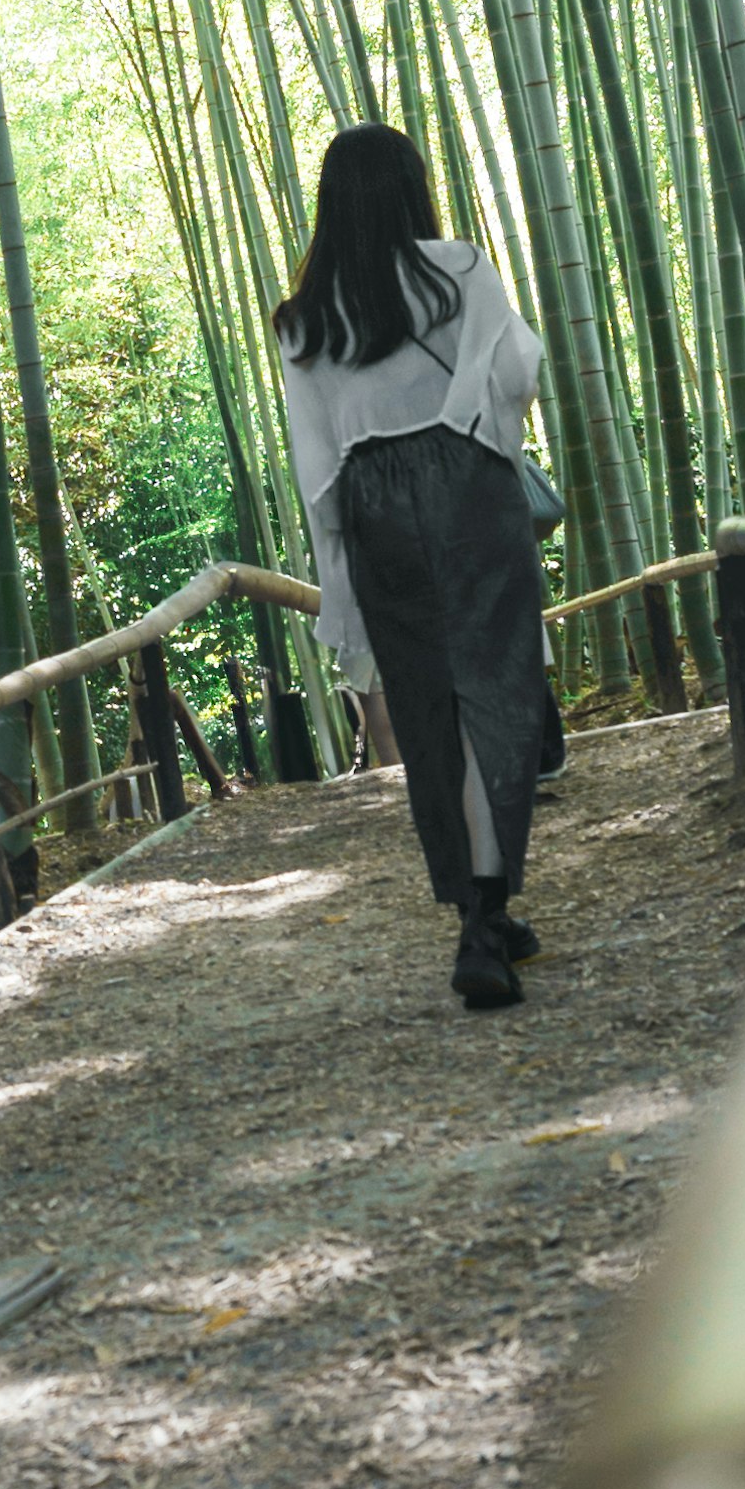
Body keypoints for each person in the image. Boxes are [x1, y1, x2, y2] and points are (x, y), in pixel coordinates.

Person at [272, 122, 559, 1012]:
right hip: (466, 482)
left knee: (428, 708)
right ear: (411, 187)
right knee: (496, 692)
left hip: (373, 506)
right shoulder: (459, 269)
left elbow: (314, 462)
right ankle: (485, 906)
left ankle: (479, 913)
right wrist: (471, 440)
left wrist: (342, 563)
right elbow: (515, 373)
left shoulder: (303, 316)